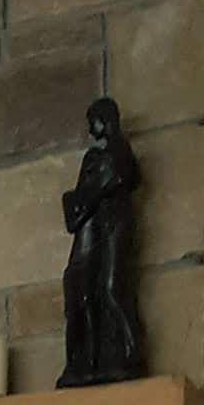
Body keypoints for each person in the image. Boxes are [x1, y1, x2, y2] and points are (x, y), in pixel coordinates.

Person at [57, 98, 144, 389]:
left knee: (111, 289)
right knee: (95, 291)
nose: (90, 128)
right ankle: (93, 358)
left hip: (113, 230)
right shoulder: (102, 158)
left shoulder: (114, 156)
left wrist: (79, 203)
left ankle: (131, 351)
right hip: (103, 231)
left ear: (104, 120)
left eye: (92, 121)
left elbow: (102, 188)